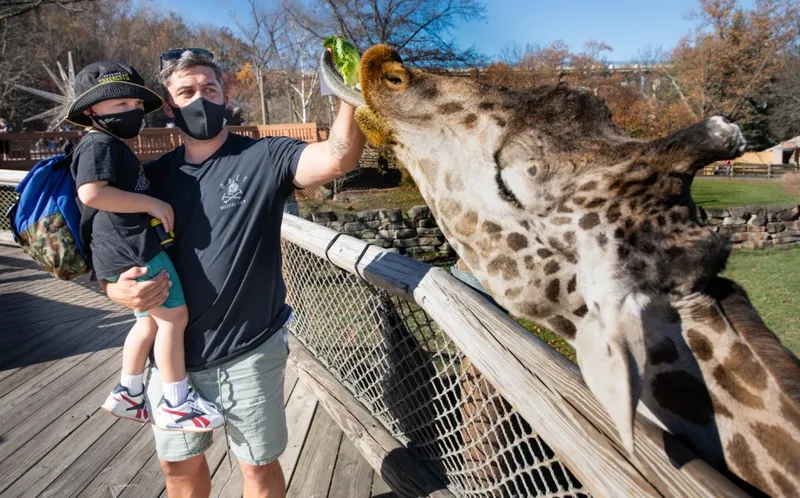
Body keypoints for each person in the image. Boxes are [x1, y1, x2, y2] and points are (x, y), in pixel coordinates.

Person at [101, 48, 366, 497]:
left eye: (209, 88)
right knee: (178, 471)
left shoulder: (266, 156)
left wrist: (350, 92)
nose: (200, 98)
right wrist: (116, 291)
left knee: (259, 470)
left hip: (250, 350)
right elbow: (111, 251)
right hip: (172, 364)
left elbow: (339, 157)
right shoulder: (147, 181)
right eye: (186, 91)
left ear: (225, 96)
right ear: (169, 106)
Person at [65, 61, 224, 432]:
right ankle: (176, 402)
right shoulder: (99, 143)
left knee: (147, 322)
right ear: (92, 111)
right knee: (174, 318)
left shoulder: (109, 143)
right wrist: (152, 204)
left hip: (117, 249)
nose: (132, 112)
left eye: (136, 106)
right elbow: (92, 193)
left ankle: (129, 392)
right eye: (119, 106)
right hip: (134, 248)